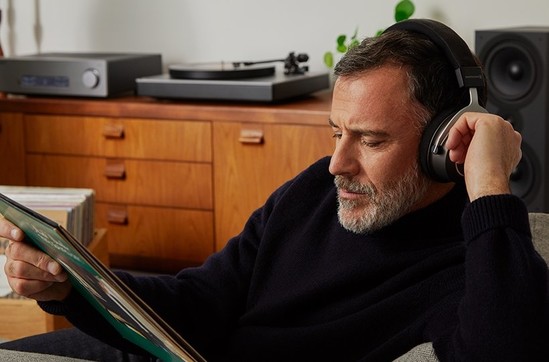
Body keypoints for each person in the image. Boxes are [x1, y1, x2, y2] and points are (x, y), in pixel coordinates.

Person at [1, 19, 548, 361]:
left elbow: (505, 348)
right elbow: (203, 299)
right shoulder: (314, 189)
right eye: (337, 133)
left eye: (370, 140)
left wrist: (490, 187)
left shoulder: (475, 260)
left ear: (440, 143)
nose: (337, 163)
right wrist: (70, 288)